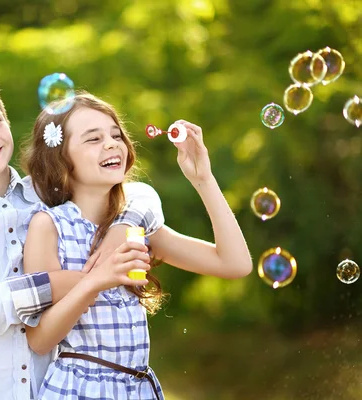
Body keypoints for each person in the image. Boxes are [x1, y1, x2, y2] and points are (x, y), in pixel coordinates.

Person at [0, 63, 164, 400]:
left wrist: (124, 222)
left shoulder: (46, 196)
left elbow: (135, 191)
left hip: (47, 390)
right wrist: (50, 286)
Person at [21, 92, 253, 399]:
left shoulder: (135, 228)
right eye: (93, 139)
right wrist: (96, 282)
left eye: (116, 135)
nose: (111, 143)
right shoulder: (49, 226)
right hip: (79, 389)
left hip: (138, 389)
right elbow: (39, 340)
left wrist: (203, 178)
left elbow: (235, 264)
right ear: (60, 159)